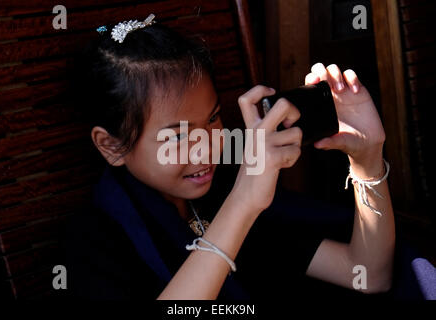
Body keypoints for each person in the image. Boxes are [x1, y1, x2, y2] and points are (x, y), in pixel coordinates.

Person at [63, 13, 395, 300]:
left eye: (212, 119)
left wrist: (367, 158)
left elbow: (366, 275)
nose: (207, 147)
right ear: (111, 146)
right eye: (177, 136)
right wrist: (243, 203)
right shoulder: (95, 240)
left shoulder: (222, 191)